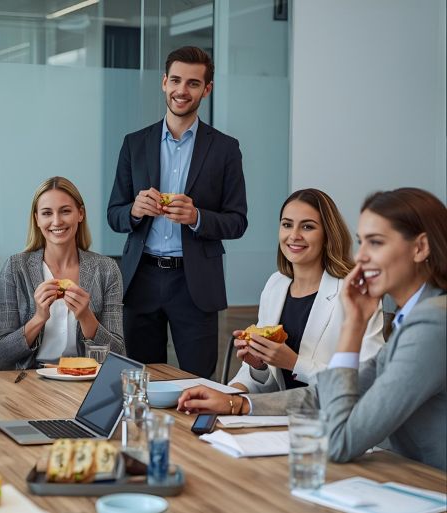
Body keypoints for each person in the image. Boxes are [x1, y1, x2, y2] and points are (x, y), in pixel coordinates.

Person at [178, 188, 447, 471]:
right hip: (401, 472)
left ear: (420, 248)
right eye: (361, 242)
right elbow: (326, 395)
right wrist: (239, 404)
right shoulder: (418, 316)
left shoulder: (431, 324)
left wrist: (353, 327)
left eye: (376, 243)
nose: (362, 256)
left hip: (426, 482)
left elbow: (342, 440)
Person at [107, 46, 247, 378]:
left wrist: (197, 216)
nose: (182, 91)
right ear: (164, 82)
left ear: (207, 89)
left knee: (199, 384)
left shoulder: (226, 149)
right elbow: (114, 214)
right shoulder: (134, 143)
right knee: (139, 380)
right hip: (142, 279)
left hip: (195, 283)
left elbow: (238, 220)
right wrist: (135, 211)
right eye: (176, 80)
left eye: (193, 83)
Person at [229, 189, 385, 392]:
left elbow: (367, 382)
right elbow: (272, 386)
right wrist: (257, 368)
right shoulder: (275, 285)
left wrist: (295, 363)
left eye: (307, 227)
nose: (294, 235)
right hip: (279, 414)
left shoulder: (356, 293)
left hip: (332, 416)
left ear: (327, 235)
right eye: (287, 225)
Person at [0, 176, 125, 370]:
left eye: (65, 211)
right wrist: (39, 317)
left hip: (85, 379)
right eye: (47, 213)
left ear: (80, 214)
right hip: (32, 380)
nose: (56, 221)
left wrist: (86, 316)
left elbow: (117, 353)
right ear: (37, 219)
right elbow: (4, 353)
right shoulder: (15, 268)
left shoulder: (106, 269)